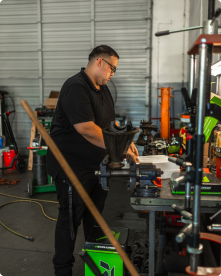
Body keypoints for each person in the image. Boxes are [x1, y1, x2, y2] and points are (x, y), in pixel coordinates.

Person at [46, 45, 139, 276]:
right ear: (100, 62)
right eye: (112, 69)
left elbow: (107, 124)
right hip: (71, 167)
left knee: (94, 217)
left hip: (96, 168)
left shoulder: (103, 88)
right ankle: (62, 269)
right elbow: (86, 129)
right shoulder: (76, 87)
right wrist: (119, 146)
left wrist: (123, 137)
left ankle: (94, 265)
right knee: (70, 219)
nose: (113, 74)